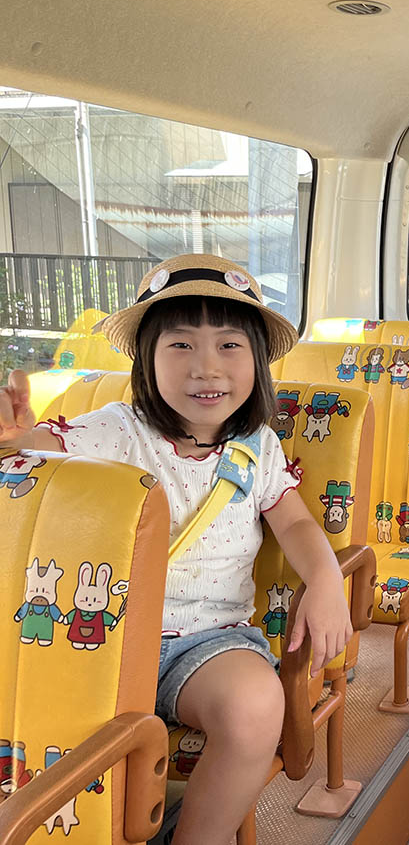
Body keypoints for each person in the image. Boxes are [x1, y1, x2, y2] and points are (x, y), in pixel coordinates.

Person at [0, 254, 354, 845]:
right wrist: (14, 443)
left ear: (258, 363)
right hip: (100, 641)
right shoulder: (116, 431)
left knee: (254, 706)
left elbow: (294, 525)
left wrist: (325, 581)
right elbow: (33, 453)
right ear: (148, 359)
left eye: (230, 346)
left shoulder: (258, 447)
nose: (206, 368)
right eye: (181, 346)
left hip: (207, 643)